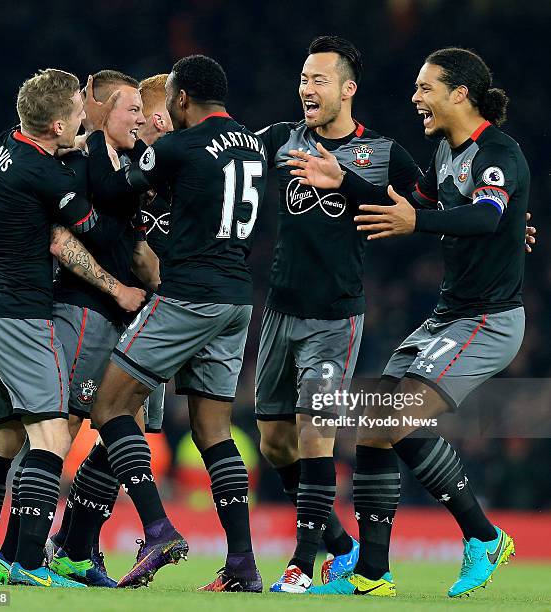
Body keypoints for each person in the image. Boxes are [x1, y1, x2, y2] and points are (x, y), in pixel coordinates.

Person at [295, 48, 529, 599]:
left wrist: (421, 220)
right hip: (450, 316)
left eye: (426, 88)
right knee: (374, 425)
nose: (416, 98)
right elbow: (401, 203)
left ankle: (484, 536)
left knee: (396, 419)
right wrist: (343, 181)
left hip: (488, 319)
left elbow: (486, 214)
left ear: (461, 94)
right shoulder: (446, 153)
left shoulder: (497, 152)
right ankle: (374, 575)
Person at [84, 54, 268, 591]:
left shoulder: (180, 147)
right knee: (214, 430)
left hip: (189, 296)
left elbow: (114, 190)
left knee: (110, 404)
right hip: (237, 300)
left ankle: (158, 528)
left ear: (182, 99)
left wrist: (99, 135)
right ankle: (242, 565)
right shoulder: (253, 143)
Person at [0, 68, 145, 589]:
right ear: (59, 127)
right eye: (78, 117)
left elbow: (53, 151)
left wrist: (75, 143)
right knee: (51, 436)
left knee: (1, 439)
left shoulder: (6, 144)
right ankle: (30, 564)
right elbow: (86, 232)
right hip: (22, 318)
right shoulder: (49, 179)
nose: (86, 119)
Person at [253, 36, 422, 592]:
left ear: (348, 89)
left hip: (335, 317)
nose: (306, 88)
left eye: (318, 79)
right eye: (303, 79)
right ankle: (342, 546)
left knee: (314, 431)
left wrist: (503, 219)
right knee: (275, 443)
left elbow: (435, 199)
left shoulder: (383, 152)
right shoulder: (281, 141)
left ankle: (302, 563)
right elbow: (224, 156)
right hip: (279, 312)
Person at [42, 71, 174, 588]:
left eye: (152, 113)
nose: (149, 122)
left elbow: (143, 253)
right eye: (140, 111)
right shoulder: (98, 165)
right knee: (73, 425)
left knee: (124, 432)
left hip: (145, 317)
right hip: (100, 311)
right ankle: (27, 549)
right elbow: (117, 248)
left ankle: (73, 546)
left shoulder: (163, 175)